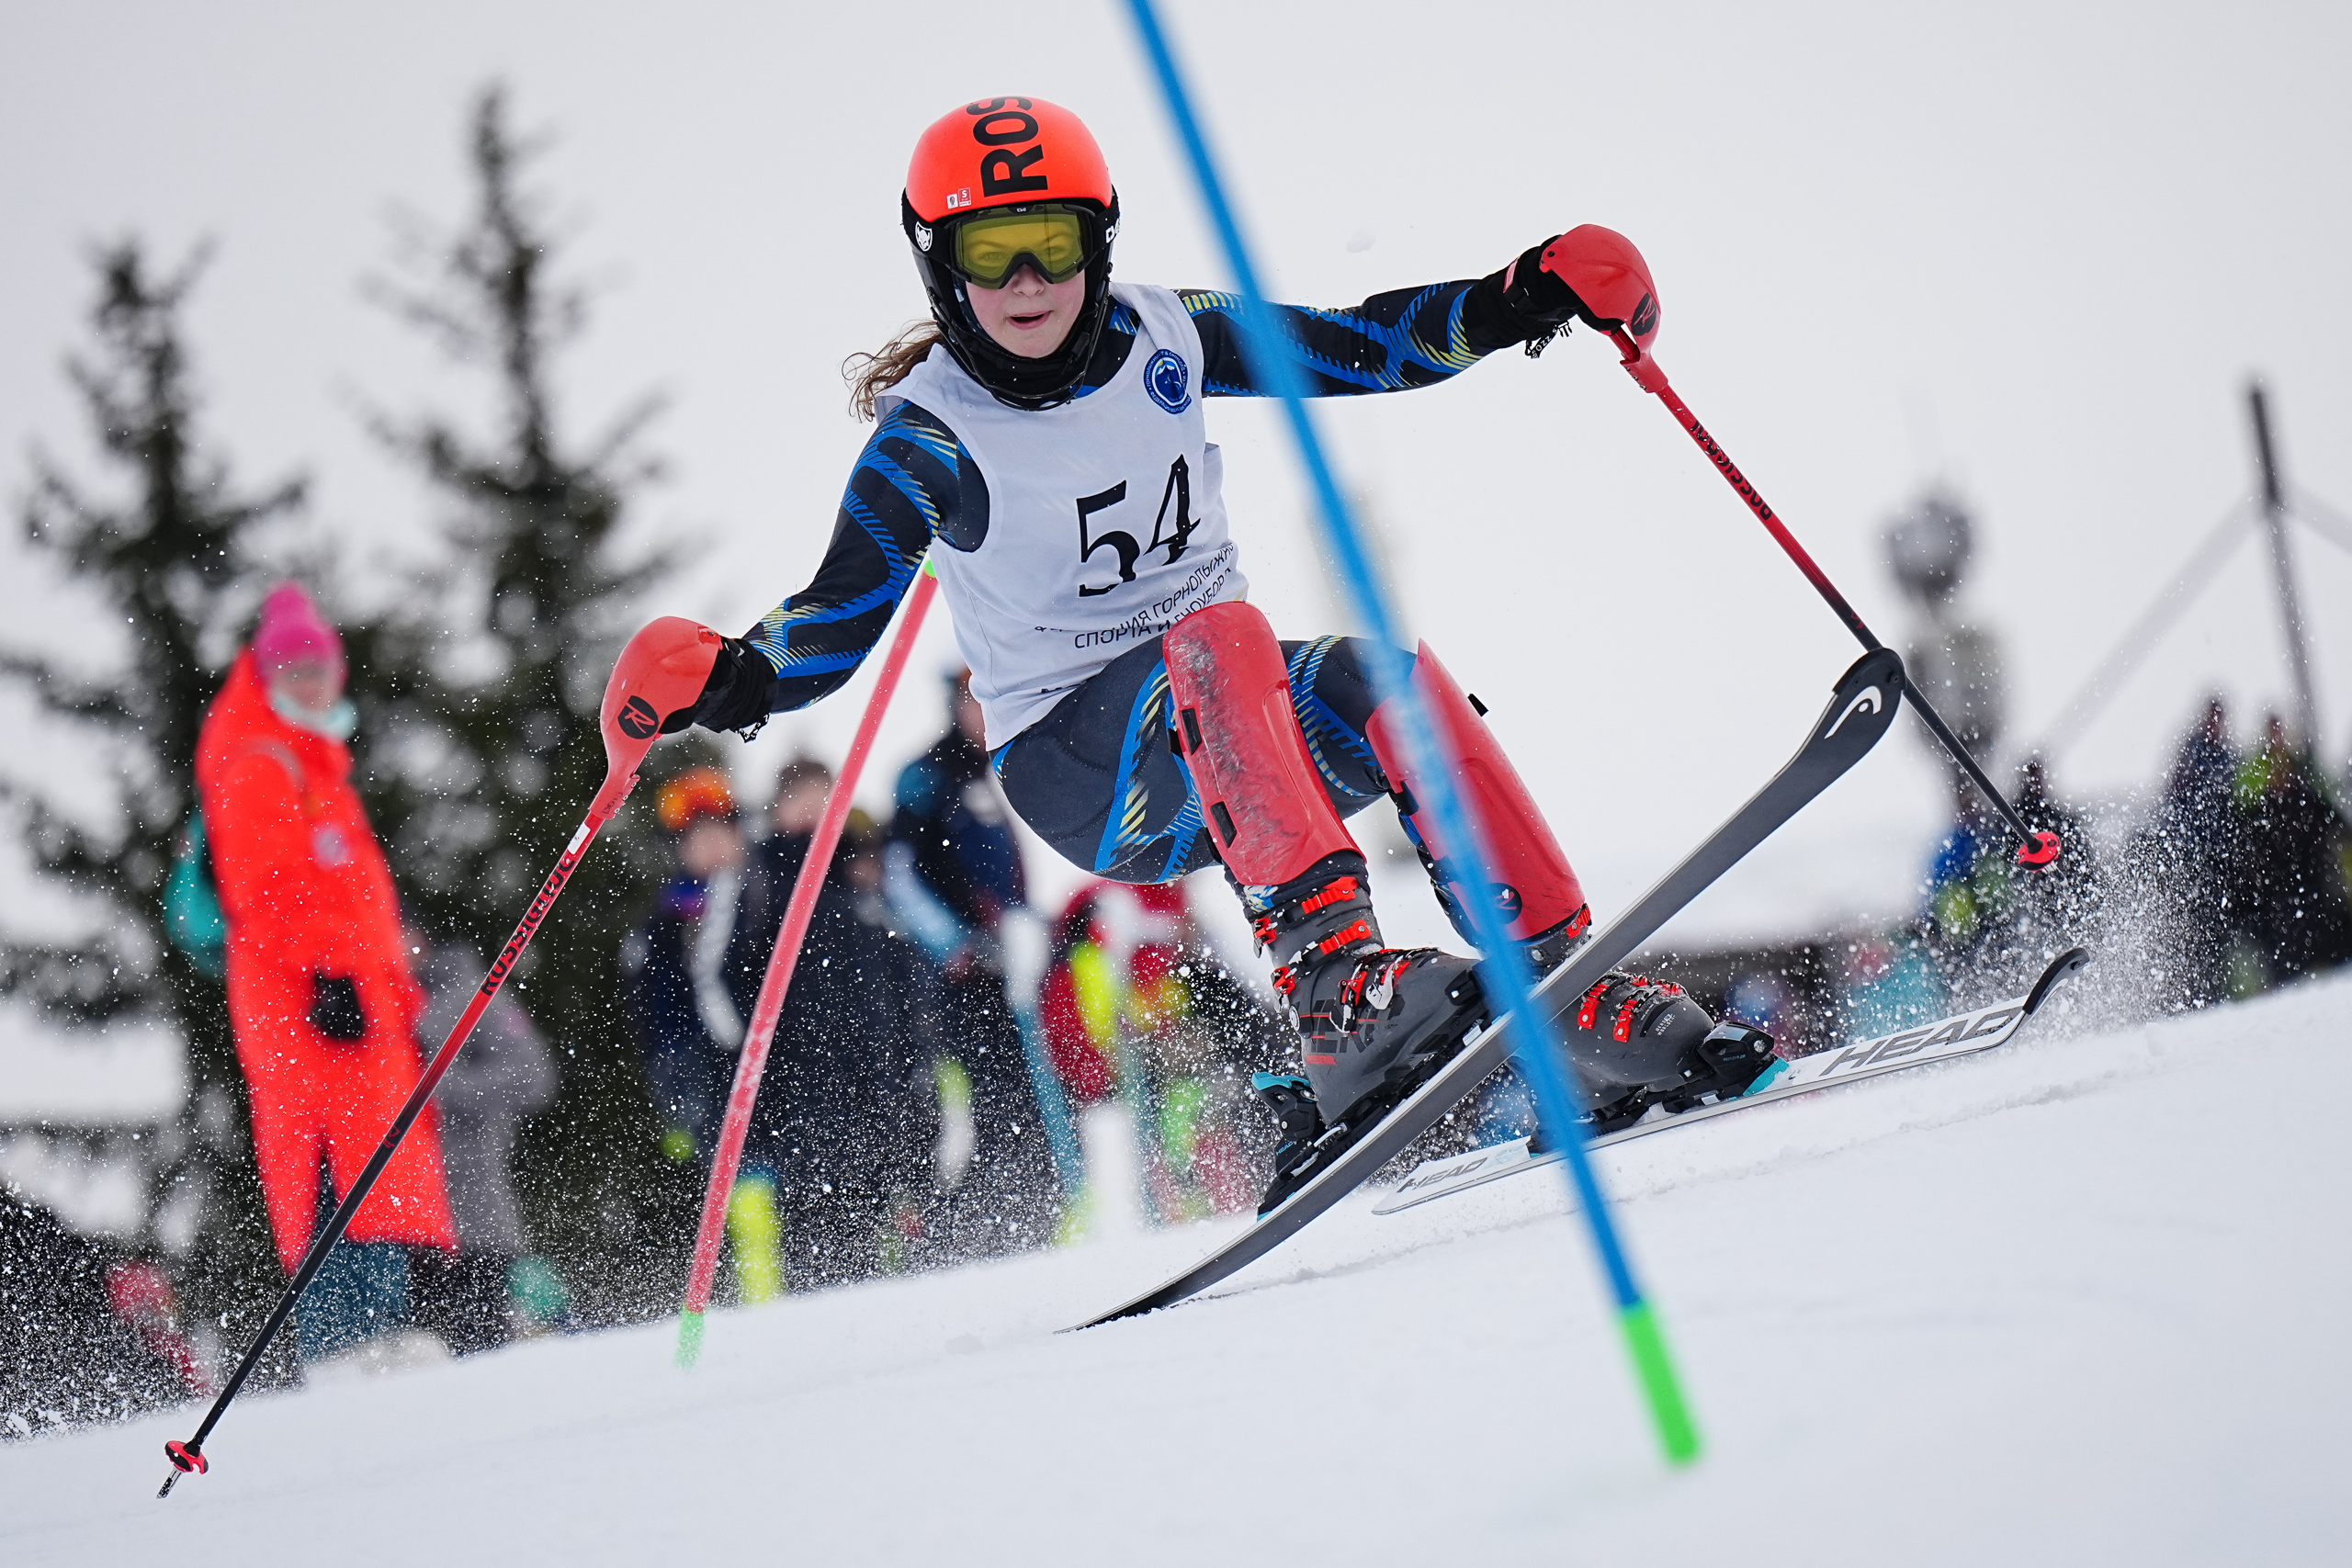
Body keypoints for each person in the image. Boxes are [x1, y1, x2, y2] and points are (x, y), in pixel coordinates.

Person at [670, 98, 1775, 1212]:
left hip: (1242, 743)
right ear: (938, 269)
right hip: (1090, 775)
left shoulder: (1170, 331)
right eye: (986, 253)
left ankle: (1568, 994)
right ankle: (1336, 994)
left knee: (1385, 680)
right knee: (1221, 634)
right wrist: (725, 676)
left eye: (1048, 245)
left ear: (1097, 240)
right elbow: (826, 629)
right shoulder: (929, 436)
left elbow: (1365, 348)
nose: (1022, 283)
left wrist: (1518, 295)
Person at [195, 581, 458, 1360]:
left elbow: (361, 911)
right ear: (268, 677)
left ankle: (373, 1362)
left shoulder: (318, 772)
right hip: (309, 1021)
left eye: (322, 667)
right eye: (296, 670)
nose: (314, 681)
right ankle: (346, 1370)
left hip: (358, 1026)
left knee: (375, 1200)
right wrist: (335, 972)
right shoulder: (261, 767)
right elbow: (265, 895)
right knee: (337, 1202)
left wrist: (393, 992)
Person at [725, 762, 951, 1285]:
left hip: (878, 1073)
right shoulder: (759, 880)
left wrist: (916, 1051)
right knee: (820, 1221)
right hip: (802, 1081)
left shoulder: (862, 873)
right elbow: (730, 976)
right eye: (800, 802)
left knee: (892, 1209)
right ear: (778, 811)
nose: (811, 813)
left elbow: (907, 971)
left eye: (823, 800)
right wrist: (754, 1055)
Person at [884, 671, 1064, 1252]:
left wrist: (1034, 933)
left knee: (1028, 1105)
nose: (982, 712)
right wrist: (955, 945)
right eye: (971, 700)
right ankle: (969, 1237)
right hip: (954, 982)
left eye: (990, 697)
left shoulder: (1011, 762)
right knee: (976, 1110)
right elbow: (901, 877)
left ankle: (1033, 1222)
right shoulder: (929, 775)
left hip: (1011, 968)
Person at [619, 764, 786, 1302]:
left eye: (722, 834)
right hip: (709, 1070)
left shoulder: (771, 892)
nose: (714, 848)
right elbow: (655, 1015)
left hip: (784, 1062)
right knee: (745, 1185)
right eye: (699, 840)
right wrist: (675, 1087)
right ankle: (766, 1293)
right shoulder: (666, 919)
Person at [413, 931, 565, 1350]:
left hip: (473, 1223)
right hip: (401, 1229)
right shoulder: (376, 1000)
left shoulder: (469, 995)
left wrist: (439, 1089)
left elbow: (534, 1075)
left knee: (483, 1356)